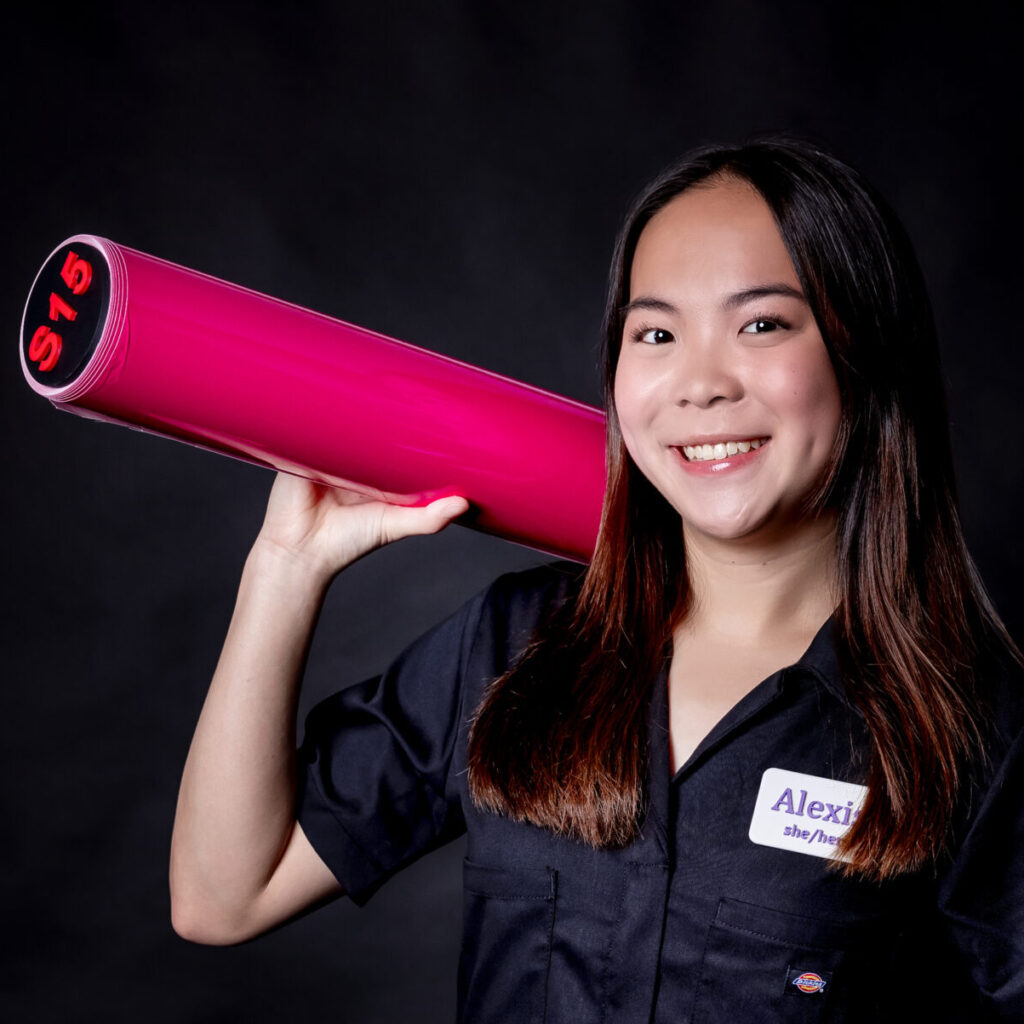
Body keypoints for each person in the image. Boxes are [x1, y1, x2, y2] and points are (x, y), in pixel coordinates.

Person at [169, 138, 1024, 1022]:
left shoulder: (974, 729)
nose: (698, 383)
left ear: (865, 352)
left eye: (762, 323)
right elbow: (224, 897)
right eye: (655, 333)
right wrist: (285, 568)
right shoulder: (513, 648)